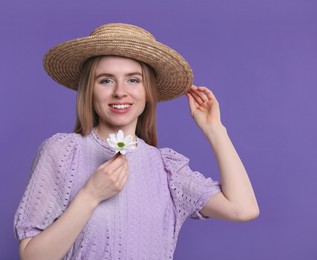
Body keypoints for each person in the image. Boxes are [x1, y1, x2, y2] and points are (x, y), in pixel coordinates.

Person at [14, 23, 259, 260]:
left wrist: (215, 130)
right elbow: (32, 256)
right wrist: (89, 196)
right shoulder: (63, 152)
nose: (120, 91)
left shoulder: (167, 169)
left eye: (133, 80)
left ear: (147, 92)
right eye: (106, 80)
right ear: (89, 90)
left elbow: (243, 209)